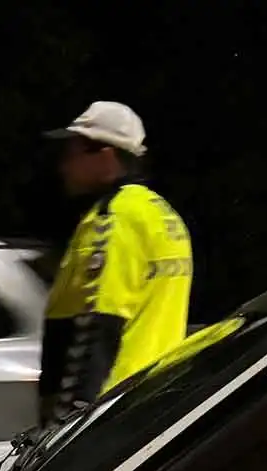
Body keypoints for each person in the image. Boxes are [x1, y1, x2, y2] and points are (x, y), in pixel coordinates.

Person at [40, 101, 193, 424]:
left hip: (109, 415)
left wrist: (63, 427)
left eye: (72, 154)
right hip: (153, 401)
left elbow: (96, 328)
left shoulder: (113, 219)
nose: (63, 166)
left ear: (106, 156)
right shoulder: (164, 216)